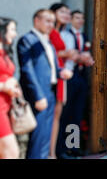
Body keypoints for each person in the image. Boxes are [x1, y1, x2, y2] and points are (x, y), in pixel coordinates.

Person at [17, 9, 73, 159]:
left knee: (46, 136)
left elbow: (53, 66)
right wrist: (38, 96)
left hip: (50, 91)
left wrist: (62, 72)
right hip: (38, 94)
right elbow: (27, 70)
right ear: (37, 20)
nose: (51, 25)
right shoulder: (27, 40)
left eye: (53, 22)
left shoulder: (47, 41)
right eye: (47, 21)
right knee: (38, 136)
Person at [57, 10, 94, 158]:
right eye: (77, 17)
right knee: (66, 113)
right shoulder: (65, 35)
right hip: (68, 77)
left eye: (83, 18)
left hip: (81, 77)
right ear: (71, 19)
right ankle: (62, 149)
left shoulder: (84, 36)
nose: (80, 20)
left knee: (78, 114)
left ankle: (74, 148)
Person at [48, 3, 77, 159]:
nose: (67, 14)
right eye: (63, 11)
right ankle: (55, 151)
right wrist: (67, 53)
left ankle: (67, 150)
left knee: (69, 117)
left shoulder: (64, 34)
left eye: (68, 11)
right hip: (54, 75)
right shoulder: (50, 32)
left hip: (69, 76)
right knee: (55, 117)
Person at [0, 17, 21, 159]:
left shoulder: (5, 52)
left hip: (6, 106)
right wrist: (4, 86)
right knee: (12, 153)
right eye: (12, 29)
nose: (15, 34)